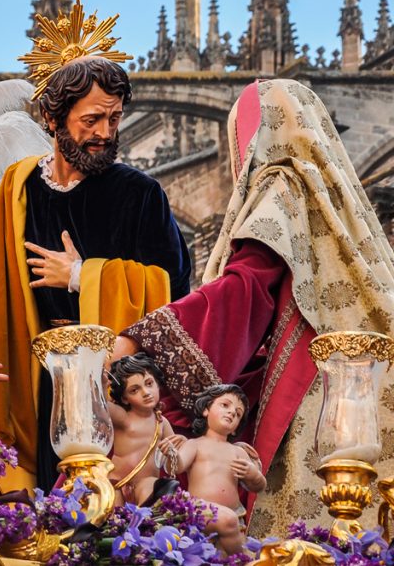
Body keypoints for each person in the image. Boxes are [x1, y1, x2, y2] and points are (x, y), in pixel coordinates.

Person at [114, 79, 394, 535]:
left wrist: (143, 340)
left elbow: (247, 287)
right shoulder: (328, 194)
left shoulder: (279, 183)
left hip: (316, 393)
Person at [0, 1, 192, 491]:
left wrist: (82, 275)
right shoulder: (18, 186)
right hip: (35, 379)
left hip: (114, 384)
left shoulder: (139, 194)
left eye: (114, 120)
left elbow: (174, 291)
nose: (105, 134)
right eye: (92, 120)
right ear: (52, 117)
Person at [170, 384, 265, 555]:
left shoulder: (238, 451)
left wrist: (252, 474)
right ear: (206, 409)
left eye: (237, 414)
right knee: (227, 525)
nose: (231, 413)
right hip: (200, 512)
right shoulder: (195, 444)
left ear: (236, 427)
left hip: (235, 517)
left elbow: (258, 486)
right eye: (225, 405)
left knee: (222, 554)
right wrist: (171, 454)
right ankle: (242, 560)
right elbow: (177, 466)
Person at [106, 354, 183, 506]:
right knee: (112, 520)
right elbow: (101, 406)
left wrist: (173, 451)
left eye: (149, 383)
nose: (146, 392)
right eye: (134, 390)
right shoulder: (123, 417)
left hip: (145, 485)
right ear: (124, 398)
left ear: (157, 384)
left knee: (153, 491)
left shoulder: (162, 423)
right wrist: (102, 385)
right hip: (116, 484)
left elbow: (174, 466)